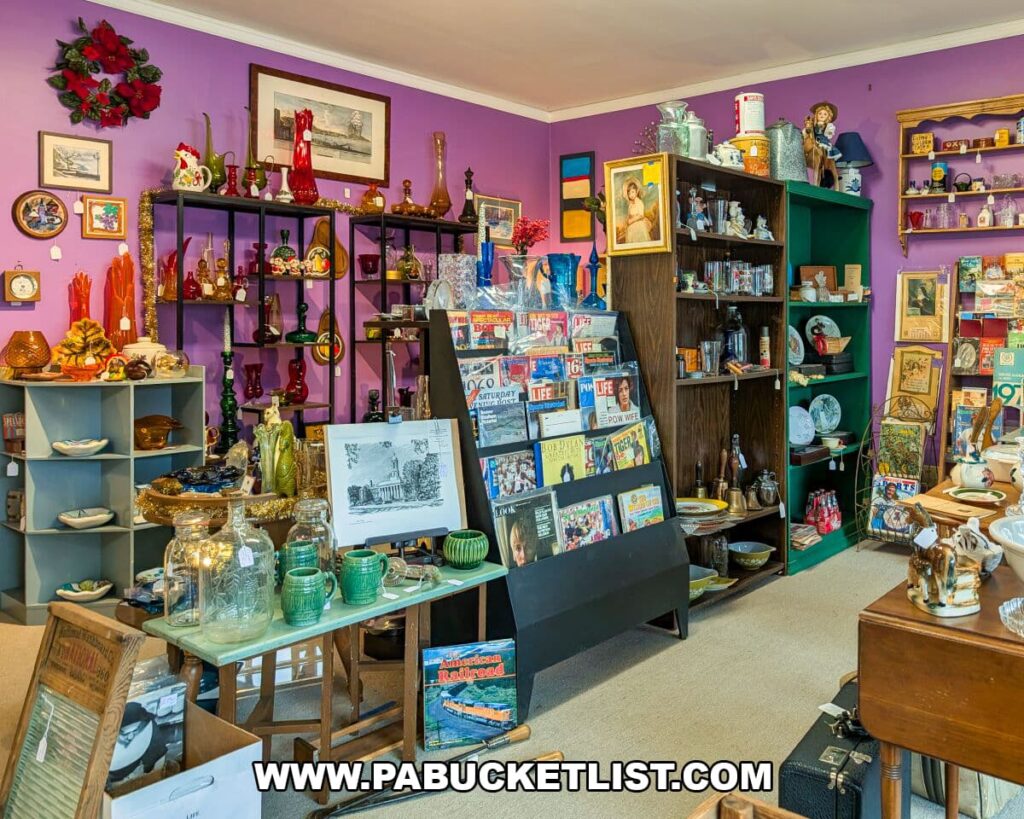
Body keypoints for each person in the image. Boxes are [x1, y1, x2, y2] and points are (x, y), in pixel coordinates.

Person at [622, 178, 652, 243]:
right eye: (629, 193)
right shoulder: (630, 205)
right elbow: (629, 215)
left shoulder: (639, 202)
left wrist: (631, 221)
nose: (631, 195)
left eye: (632, 192)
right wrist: (627, 220)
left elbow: (641, 215)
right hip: (631, 228)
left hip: (639, 226)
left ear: (636, 191)